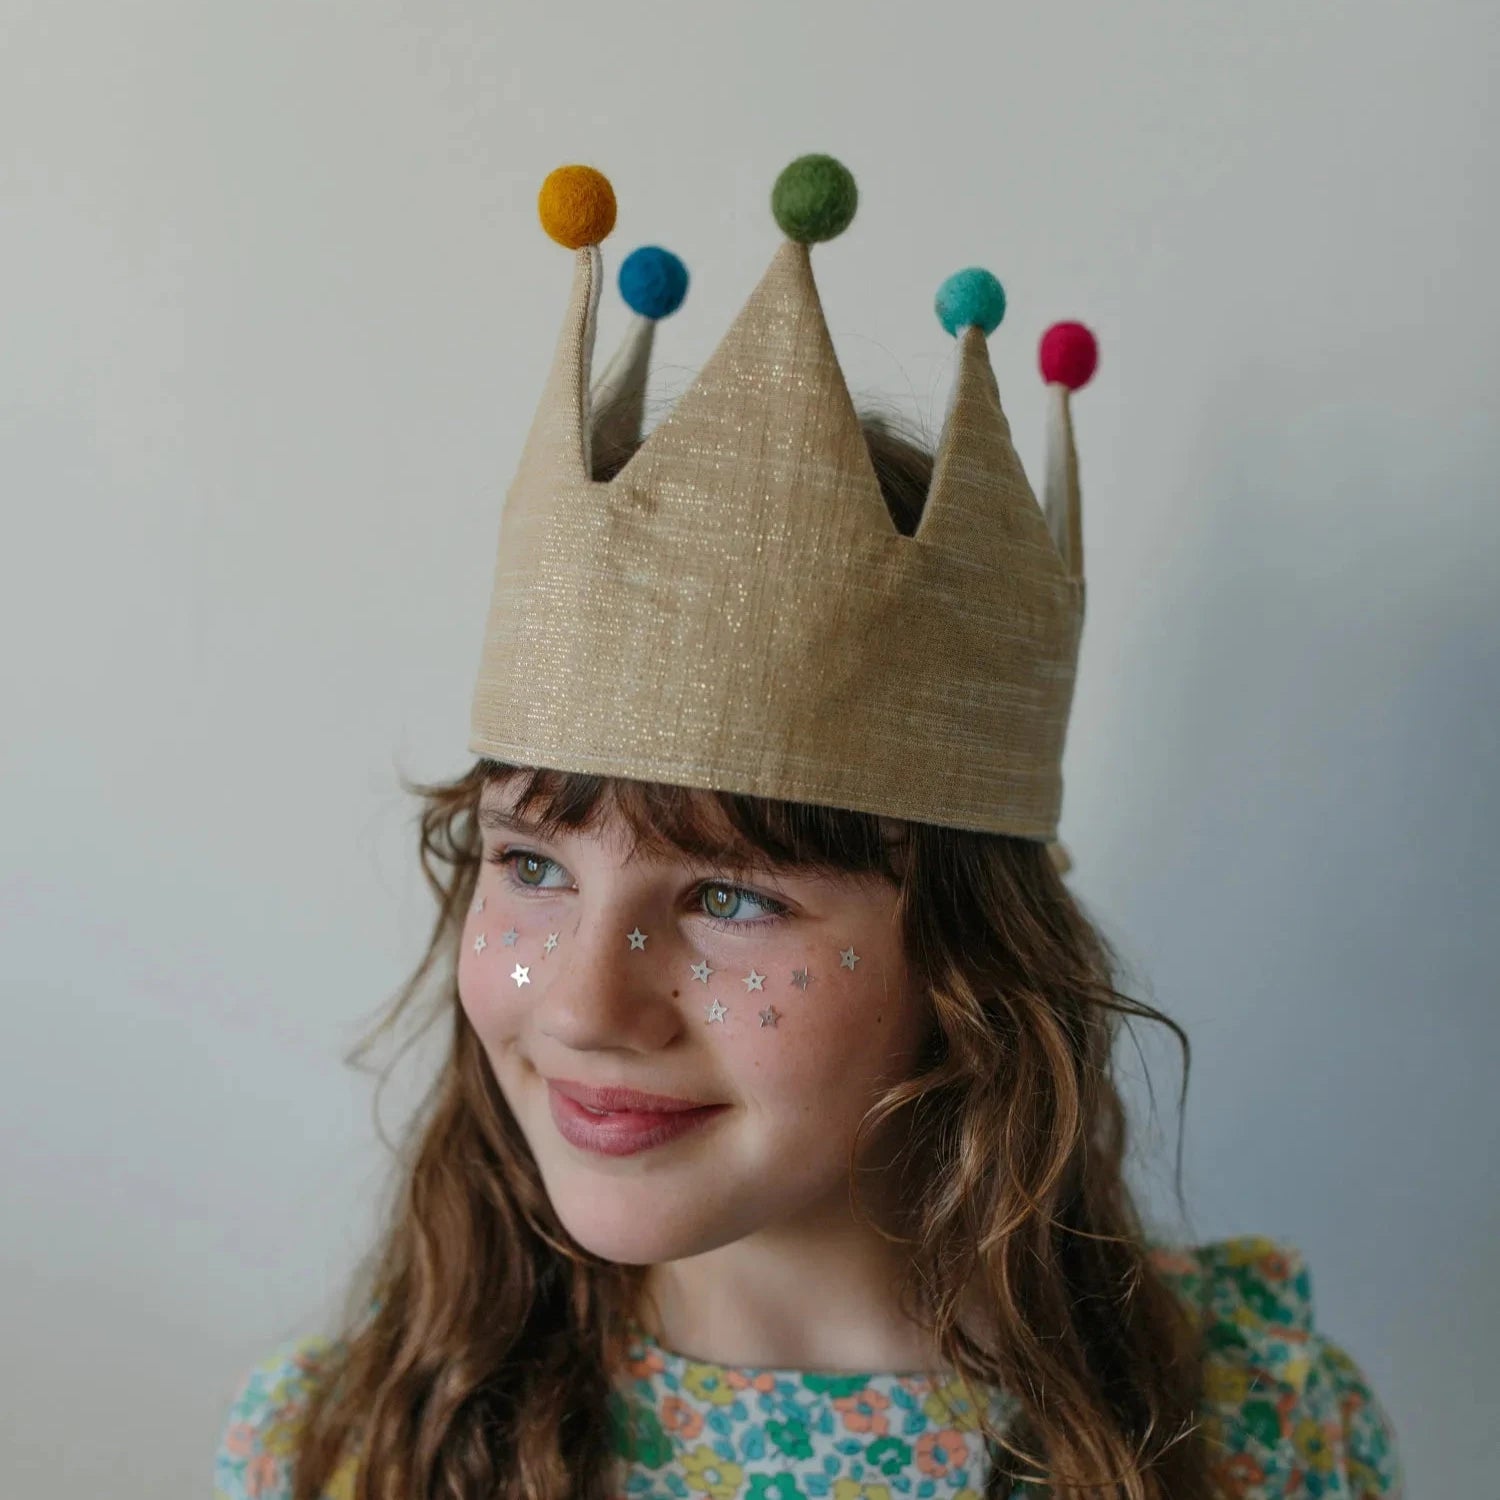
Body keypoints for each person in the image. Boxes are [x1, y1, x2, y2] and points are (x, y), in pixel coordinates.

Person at [212, 156, 1403, 1499]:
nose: (593, 1005)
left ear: (969, 964)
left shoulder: (1252, 1436)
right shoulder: (342, 1452)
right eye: (533, 864)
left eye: (730, 898)